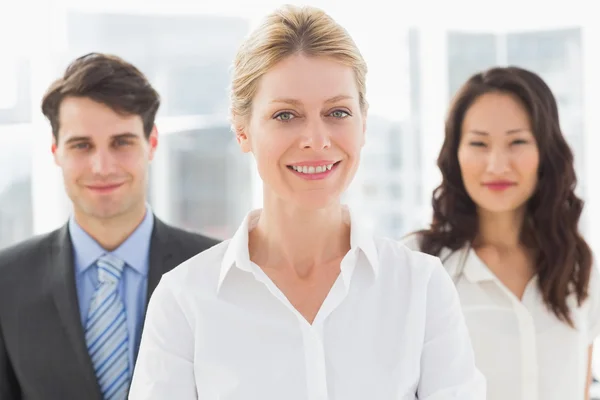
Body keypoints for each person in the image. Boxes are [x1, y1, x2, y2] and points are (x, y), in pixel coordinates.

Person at [129, 5, 485, 400]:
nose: (316, 139)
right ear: (242, 130)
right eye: (286, 115)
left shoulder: (420, 287)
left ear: (363, 123)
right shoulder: (184, 299)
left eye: (338, 112)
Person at [0, 53, 219, 400]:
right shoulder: (6, 280)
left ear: (152, 143)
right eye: (82, 145)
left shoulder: (216, 269)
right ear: (56, 151)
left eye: (121, 142)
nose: (102, 166)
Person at [403, 66, 600, 400]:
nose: (497, 164)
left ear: (544, 153)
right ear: (456, 154)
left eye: (517, 142)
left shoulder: (577, 263)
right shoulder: (419, 262)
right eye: (479, 143)